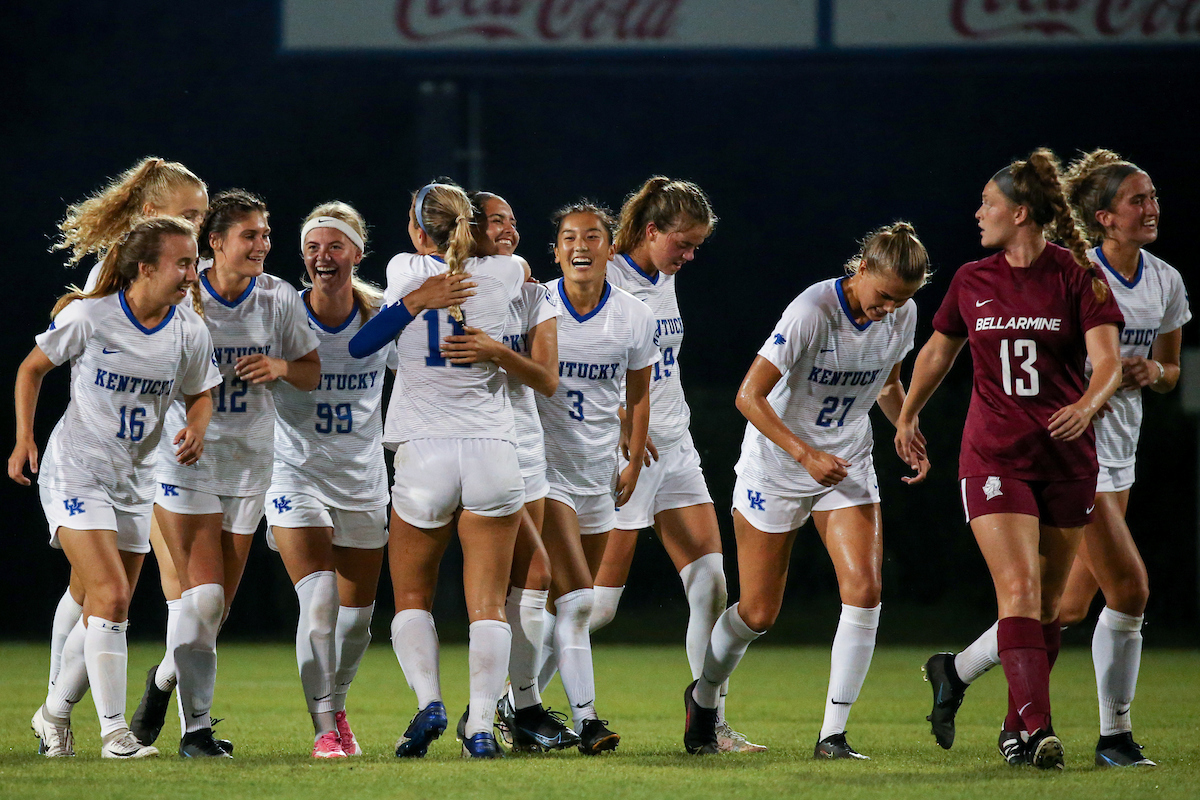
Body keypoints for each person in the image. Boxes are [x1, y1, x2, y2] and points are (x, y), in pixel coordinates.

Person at [921, 150, 1186, 769]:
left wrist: (1153, 372)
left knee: (1061, 609)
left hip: (1115, 452)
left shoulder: (1163, 281)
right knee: (1126, 588)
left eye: (1153, 197)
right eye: (1138, 200)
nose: (1151, 208)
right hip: (1060, 449)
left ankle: (961, 676)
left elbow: (1171, 369)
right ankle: (1111, 737)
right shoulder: (1071, 270)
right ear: (1103, 217)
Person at [895, 148, 1124, 771]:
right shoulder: (972, 279)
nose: (978, 213)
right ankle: (1040, 730)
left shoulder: (1077, 276)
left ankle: (1009, 725)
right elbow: (938, 352)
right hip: (993, 455)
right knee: (1018, 591)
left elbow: (1108, 362)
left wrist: (1087, 404)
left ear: (1020, 212)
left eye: (987, 204)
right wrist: (909, 414)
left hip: (1067, 458)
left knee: (1049, 609)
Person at [682, 222, 931, 759]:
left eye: (902, 299)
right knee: (758, 613)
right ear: (862, 268)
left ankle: (832, 736)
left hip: (846, 463)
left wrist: (905, 424)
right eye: (884, 295)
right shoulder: (813, 312)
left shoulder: (903, 314)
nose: (890, 308)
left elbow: (888, 383)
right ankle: (703, 698)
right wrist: (805, 455)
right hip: (778, 466)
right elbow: (748, 397)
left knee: (865, 589)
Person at [14, 216, 221, 758]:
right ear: (145, 268)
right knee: (111, 594)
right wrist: (23, 438)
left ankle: (53, 714)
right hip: (75, 472)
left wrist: (196, 426)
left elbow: (202, 392)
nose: (191, 275)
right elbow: (31, 369)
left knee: (104, 607)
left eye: (192, 263)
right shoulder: (92, 316)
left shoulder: (188, 330)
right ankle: (115, 735)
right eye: (182, 264)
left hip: (134, 480)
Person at [140, 189, 322, 758]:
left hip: (249, 465)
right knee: (205, 596)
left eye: (266, 235)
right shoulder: (184, 293)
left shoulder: (277, 297)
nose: (262, 244)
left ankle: (162, 681)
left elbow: (311, 372)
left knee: (211, 611)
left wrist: (281, 366)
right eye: (250, 235)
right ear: (214, 242)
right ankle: (196, 732)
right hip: (186, 460)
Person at [349, 181, 526, 759]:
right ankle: (481, 726)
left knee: (411, 598)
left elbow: (361, 347)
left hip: (424, 451)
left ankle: (430, 701)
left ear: (419, 231)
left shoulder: (404, 271)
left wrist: (417, 301)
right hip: (492, 450)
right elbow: (513, 273)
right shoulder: (508, 271)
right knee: (489, 605)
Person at [590, 177, 760, 752]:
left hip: (675, 445)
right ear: (650, 230)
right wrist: (621, 421)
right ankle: (518, 701)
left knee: (711, 585)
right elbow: (563, 360)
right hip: (624, 452)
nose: (689, 256)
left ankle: (707, 721)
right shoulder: (603, 279)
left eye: (696, 247)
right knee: (597, 607)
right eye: (682, 244)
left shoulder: (663, 277)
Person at [44, 157, 208, 705]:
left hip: (153, 452)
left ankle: (56, 710)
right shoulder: (115, 279)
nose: (198, 226)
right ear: (151, 213)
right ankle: (75, 712)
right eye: (189, 214)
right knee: (113, 591)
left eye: (202, 217)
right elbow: (78, 354)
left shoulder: (186, 271)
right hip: (111, 458)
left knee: (96, 589)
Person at [263, 202, 395, 758]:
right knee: (318, 599)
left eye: (335, 246)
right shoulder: (280, 315)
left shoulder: (383, 315)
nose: (323, 256)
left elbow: (427, 373)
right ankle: (322, 730)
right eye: (313, 247)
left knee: (357, 620)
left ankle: (337, 707)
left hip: (362, 479)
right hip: (294, 474)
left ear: (356, 254)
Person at [533, 201, 658, 754]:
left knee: (563, 606)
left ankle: (512, 706)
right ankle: (587, 721)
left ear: (610, 248)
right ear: (556, 250)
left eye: (591, 237)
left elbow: (639, 393)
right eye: (568, 237)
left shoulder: (635, 315)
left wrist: (631, 460)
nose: (579, 246)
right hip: (543, 471)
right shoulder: (536, 305)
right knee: (580, 599)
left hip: (597, 472)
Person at [458, 191, 579, 752]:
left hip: (523, 446)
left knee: (530, 581)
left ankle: (511, 709)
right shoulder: (447, 288)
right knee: (508, 583)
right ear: (468, 230)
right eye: (494, 221)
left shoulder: (533, 294)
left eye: (512, 220)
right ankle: (501, 710)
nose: (508, 229)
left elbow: (547, 378)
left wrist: (498, 352)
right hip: (462, 446)